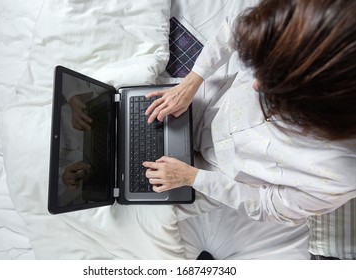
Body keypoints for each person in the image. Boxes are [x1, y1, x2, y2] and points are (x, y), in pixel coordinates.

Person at [143, 0, 356, 227]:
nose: (255, 86)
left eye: (272, 94)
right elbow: (235, 28)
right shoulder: (303, 21)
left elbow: (269, 206)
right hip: (208, 104)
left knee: (141, 217)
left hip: (218, 179)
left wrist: (193, 177)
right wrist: (191, 82)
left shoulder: (341, 176)